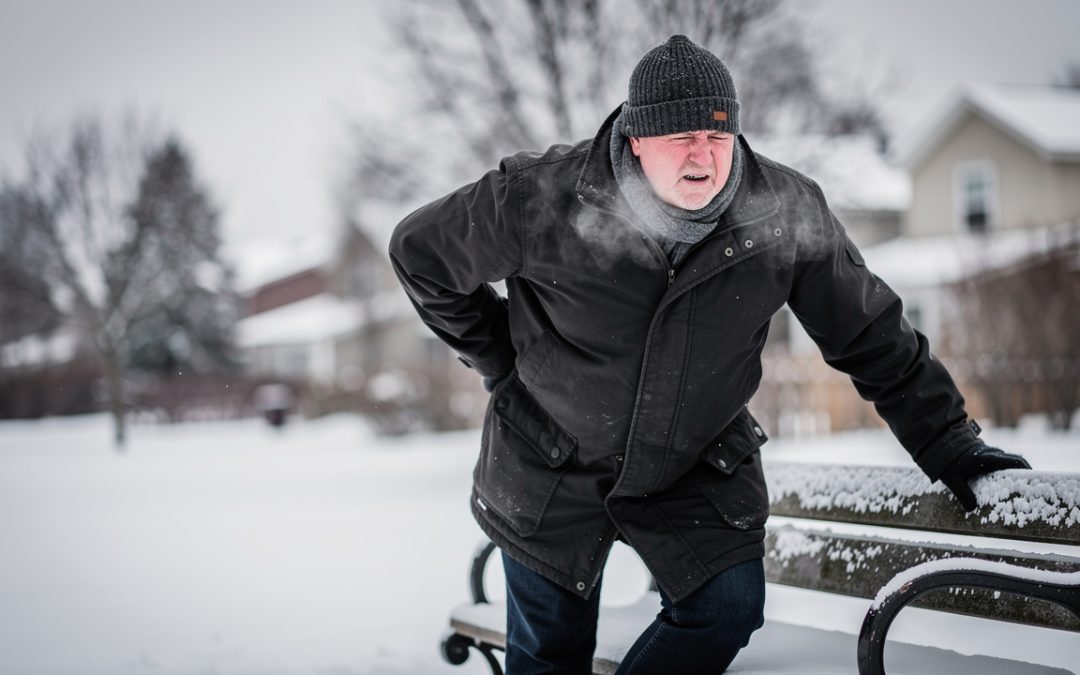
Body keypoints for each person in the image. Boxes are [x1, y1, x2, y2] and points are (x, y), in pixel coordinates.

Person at [389, 35, 1031, 675]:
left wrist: (951, 443)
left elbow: (871, 336)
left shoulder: (782, 211)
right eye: (679, 137)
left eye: (717, 136)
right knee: (548, 657)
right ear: (636, 140)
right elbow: (420, 254)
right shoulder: (540, 199)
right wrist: (504, 357)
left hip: (694, 458)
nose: (702, 155)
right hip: (548, 459)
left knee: (725, 608)